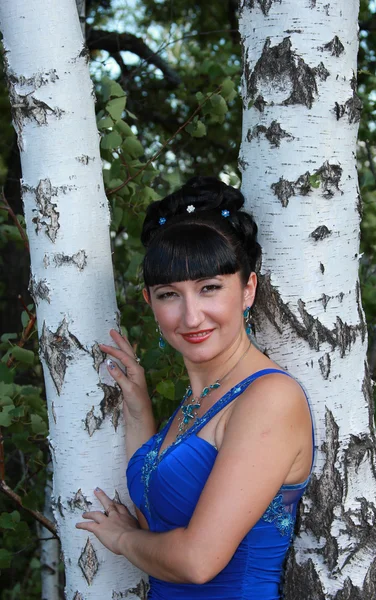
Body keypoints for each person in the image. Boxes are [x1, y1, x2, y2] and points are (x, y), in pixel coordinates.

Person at [76, 176, 315, 599]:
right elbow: (157, 522)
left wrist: (120, 539)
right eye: (170, 294)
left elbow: (196, 561)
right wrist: (137, 409)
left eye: (209, 288)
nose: (191, 317)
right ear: (150, 302)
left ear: (247, 290)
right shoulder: (198, 402)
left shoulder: (269, 399)